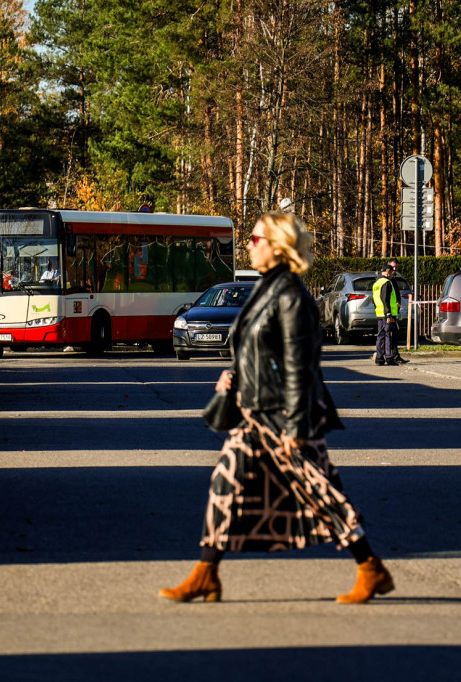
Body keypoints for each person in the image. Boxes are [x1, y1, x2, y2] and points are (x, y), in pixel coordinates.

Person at [158, 212, 394, 605]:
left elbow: (300, 364)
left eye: (255, 238)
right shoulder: (268, 288)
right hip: (255, 410)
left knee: (321, 491)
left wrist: (297, 427)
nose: (249, 244)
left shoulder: (291, 296)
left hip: (284, 413)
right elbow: (258, 348)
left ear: (278, 246)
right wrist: (235, 375)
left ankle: (371, 568)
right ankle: (206, 573)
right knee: (225, 486)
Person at [373, 264, 401, 366]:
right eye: (390, 271)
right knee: (388, 335)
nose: (391, 274)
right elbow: (386, 300)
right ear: (387, 271)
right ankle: (389, 358)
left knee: (380, 336)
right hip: (387, 314)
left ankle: (379, 358)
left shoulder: (377, 283)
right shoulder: (387, 283)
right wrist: (388, 314)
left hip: (380, 313)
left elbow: (375, 299)